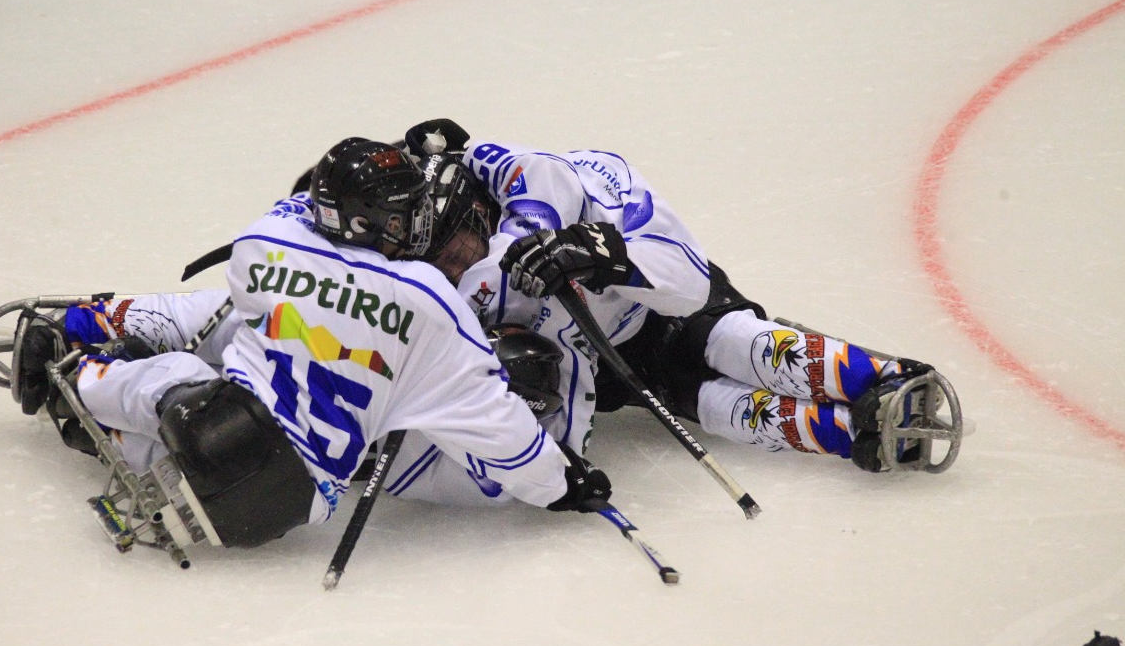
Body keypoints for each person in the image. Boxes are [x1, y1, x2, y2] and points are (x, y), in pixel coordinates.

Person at [12, 137, 611, 548]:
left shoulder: (266, 240)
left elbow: (288, 226)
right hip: (290, 509)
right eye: (404, 217)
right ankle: (94, 410)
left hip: (218, 427)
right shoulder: (433, 301)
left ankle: (80, 371)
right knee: (242, 370)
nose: (415, 228)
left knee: (201, 359)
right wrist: (563, 482)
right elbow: (502, 432)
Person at [397, 119, 961, 477]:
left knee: (733, 343)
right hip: (610, 366)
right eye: (438, 264)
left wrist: (609, 257)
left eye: (457, 249)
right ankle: (856, 436)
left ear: (478, 207)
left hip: (664, 308)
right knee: (715, 407)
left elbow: (686, 283)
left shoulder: (589, 176)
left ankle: (881, 377)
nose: (455, 271)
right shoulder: (447, 284)